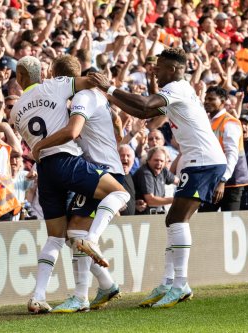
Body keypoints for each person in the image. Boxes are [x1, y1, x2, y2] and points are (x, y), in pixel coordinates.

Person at [89, 47, 227, 308]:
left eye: (160, 67)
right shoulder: (179, 89)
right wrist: (112, 93)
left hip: (205, 162)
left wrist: (108, 89)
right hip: (199, 162)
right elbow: (149, 112)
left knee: (176, 219)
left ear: (173, 70)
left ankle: (180, 284)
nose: (155, 70)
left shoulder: (176, 89)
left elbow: (144, 108)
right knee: (173, 221)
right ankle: (169, 282)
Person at [11, 56, 129, 314]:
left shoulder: (15, 109)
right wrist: (110, 91)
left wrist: (38, 146)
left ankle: (43, 295)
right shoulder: (59, 88)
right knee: (84, 225)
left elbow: (63, 123)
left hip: (47, 169)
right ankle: (91, 286)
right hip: (69, 161)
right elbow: (94, 84)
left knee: (60, 236)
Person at [199, 86, 248, 212]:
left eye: (211, 99)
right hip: (213, 178)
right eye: (206, 99)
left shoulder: (230, 122)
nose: (207, 102)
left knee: (230, 222)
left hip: (231, 182)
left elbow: (232, 154)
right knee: (205, 219)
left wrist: (222, 180)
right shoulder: (208, 122)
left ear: (223, 102)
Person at [134, 146, 179, 215]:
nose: (159, 163)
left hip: (157, 214)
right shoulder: (145, 172)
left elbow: (179, 182)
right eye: (156, 160)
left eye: (161, 161)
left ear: (165, 163)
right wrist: (177, 199)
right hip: (143, 217)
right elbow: (151, 201)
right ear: (148, 160)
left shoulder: (163, 170)